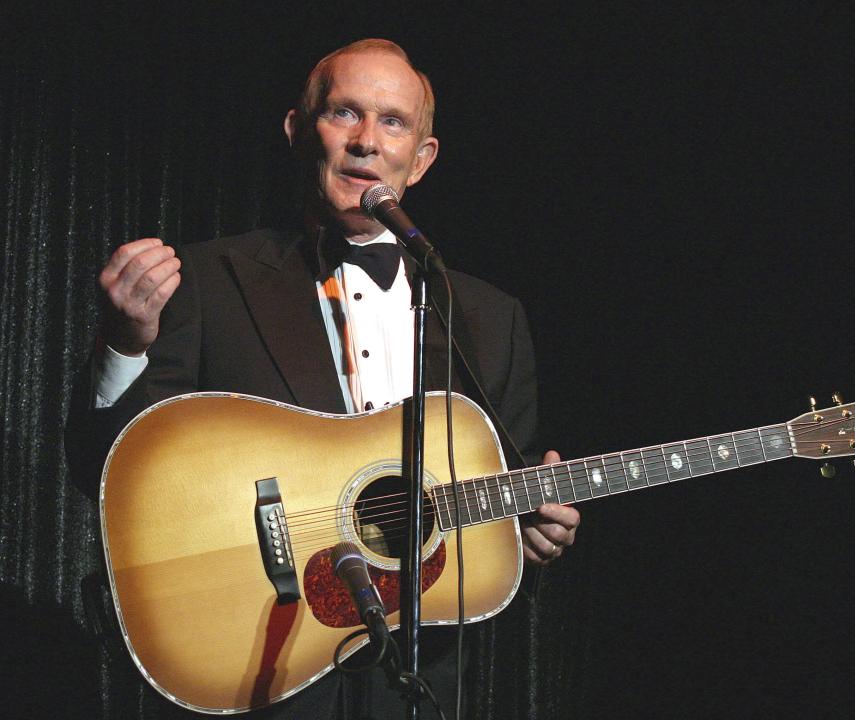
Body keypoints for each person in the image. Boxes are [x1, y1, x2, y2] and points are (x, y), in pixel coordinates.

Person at [66, 38, 580, 718]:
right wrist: (126, 343)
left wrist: (530, 539)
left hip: (413, 679)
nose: (368, 141)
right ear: (297, 131)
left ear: (421, 159)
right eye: (345, 113)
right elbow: (111, 468)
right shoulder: (209, 283)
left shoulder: (489, 317)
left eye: (393, 122)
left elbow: (490, 512)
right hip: (256, 663)